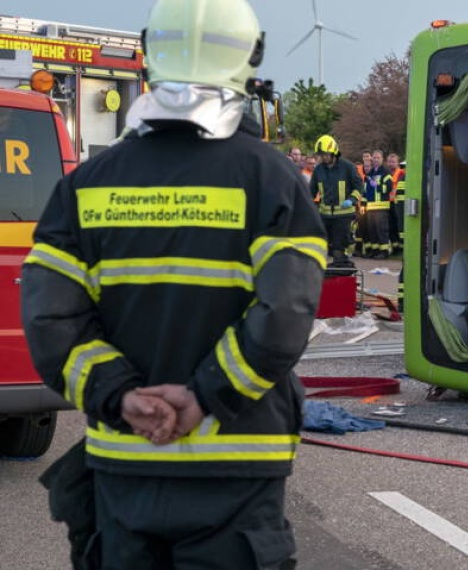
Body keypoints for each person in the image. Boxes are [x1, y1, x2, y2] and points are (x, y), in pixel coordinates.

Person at [20, 1, 326, 568]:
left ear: (149, 53)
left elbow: (49, 320)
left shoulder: (87, 184)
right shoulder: (271, 178)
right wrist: (204, 397)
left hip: (124, 462)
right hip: (236, 464)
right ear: (250, 58)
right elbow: (285, 315)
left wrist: (123, 396)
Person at [309, 134, 363, 267]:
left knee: (339, 247)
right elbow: (311, 190)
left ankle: (341, 269)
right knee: (322, 244)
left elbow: (359, 186)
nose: (323, 157)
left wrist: (352, 199)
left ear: (334, 152)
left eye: (326, 154)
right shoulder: (318, 170)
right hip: (325, 215)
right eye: (321, 155)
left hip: (343, 215)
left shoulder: (348, 167)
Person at [360, 149, 391, 258]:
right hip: (370, 208)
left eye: (378, 157)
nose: (376, 160)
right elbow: (365, 191)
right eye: (375, 157)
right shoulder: (371, 173)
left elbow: (389, 188)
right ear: (372, 159)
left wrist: (377, 186)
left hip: (381, 207)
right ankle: (375, 251)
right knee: (372, 231)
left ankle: (384, 252)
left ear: (382, 159)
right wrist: (363, 206)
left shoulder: (385, 172)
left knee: (381, 230)